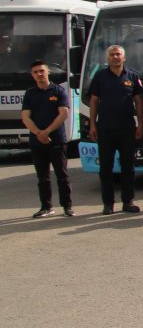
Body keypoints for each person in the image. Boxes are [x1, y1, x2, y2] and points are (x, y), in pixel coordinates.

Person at [87, 44, 143, 214]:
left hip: (127, 128)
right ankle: (108, 204)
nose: (115, 57)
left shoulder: (132, 76)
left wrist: (140, 125)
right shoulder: (100, 76)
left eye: (118, 54)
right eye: (112, 55)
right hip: (105, 129)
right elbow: (94, 101)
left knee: (128, 167)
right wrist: (92, 125)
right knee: (106, 168)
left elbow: (138, 102)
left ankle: (128, 202)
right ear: (108, 58)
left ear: (124, 57)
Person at [21, 60, 72, 217]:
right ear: (32, 75)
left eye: (41, 71)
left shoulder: (59, 91)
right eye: (35, 72)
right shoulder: (30, 93)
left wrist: (47, 131)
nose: (39, 74)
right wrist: (39, 133)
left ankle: (67, 207)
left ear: (48, 72)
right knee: (42, 177)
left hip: (57, 140)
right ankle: (46, 207)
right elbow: (25, 117)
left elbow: (63, 113)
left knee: (62, 175)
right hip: (37, 141)